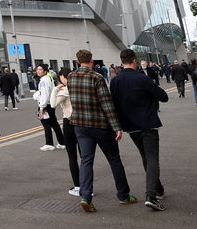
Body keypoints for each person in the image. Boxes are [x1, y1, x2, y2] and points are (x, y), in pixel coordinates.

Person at [69, 49, 134, 213]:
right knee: (114, 159)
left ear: (77, 62)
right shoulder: (96, 77)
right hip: (100, 125)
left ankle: (85, 197)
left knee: (86, 160)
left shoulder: (71, 76)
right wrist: (116, 127)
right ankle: (123, 195)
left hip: (80, 125)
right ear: (91, 61)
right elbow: (107, 104)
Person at [110, 48, 169, 211]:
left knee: (145, 156)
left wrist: (117, 126)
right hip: (147, 123)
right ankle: (151, 195)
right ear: (134, 61)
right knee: (152, 158)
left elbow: (112, 103)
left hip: (130, 125)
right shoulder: (141, 78)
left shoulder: (115, 81)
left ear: (121, 61)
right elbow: (163, 96)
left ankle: (158, 189)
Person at [51, 68, 81, 197]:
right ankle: (88, 186)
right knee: (85, 157)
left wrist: (55, 89)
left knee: (72, 156)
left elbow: (52, 104)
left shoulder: (64, 90)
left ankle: (78, 186)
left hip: (69, 123)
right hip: (82, 122)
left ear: (63, 77)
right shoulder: (79, 86)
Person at [33, 64, 64, 151]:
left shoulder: (44, 81)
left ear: (45, 71)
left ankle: (49, 143)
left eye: (40, 69)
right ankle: (62, 142)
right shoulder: (48, 78)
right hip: (50, 104)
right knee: (54, 123)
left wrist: (42, 107)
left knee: (46, 124)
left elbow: (45, 95)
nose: (38, 71)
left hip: (45, 105)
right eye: (37, 69)